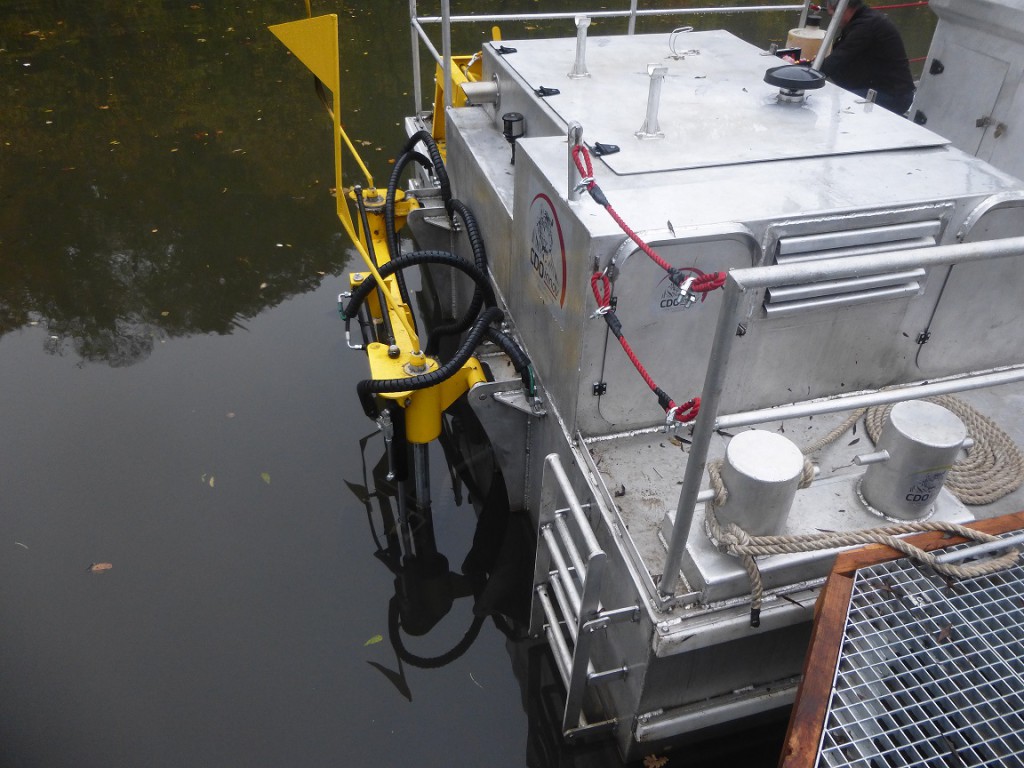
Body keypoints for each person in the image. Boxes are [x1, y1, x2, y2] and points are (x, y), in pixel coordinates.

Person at [819, 0, 916, 115]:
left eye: (831, 9)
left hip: (893, 96)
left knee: (831, 107)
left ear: (842, 6)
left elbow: (835, 61)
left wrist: (808, 72)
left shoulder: (865, 26)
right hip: (877, 86)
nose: (830, 13)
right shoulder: (864, 19)